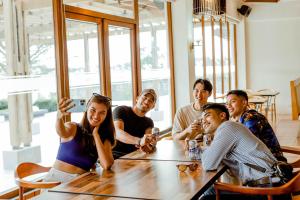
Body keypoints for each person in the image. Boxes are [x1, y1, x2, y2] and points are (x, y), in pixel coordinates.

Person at [200, 103, 290, 200]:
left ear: (222, 115)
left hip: (267, 191)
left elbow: (208, 164)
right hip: (272, 184)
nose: (203, 121)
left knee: (207, 197)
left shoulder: (227, 127)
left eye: (207, 115)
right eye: (201, 119)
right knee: (210, 191)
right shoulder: (230, 128)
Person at [43, 93, 115, 183]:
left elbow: (106, 165)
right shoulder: (73, 127)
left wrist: (96, 135)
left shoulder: (103, 138)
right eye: (93, 110)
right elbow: (61, 132)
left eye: (102, 113)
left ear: (106, 116)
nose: (96, 116)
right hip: (56, 180)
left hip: (79, 183)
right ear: (86, 109)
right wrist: (59, 117)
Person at [226, 90, 286, 162]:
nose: (228, 106)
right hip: (261, 161)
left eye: (233, 101)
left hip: (271, 164)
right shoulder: (244, 118)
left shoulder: (251, 119)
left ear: (244, 103)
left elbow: (248, 146)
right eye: (227, 103)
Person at [112, 89, 157, 159]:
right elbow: (117, 133)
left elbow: (146, 144)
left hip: (134, 157)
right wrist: (139, 141)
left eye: (151, 100)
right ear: (137, 98)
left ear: (153, 106)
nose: (147, 101)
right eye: (145, 97)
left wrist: (151, 145)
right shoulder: (121, 110)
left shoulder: (149, 122)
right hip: (115, 156)